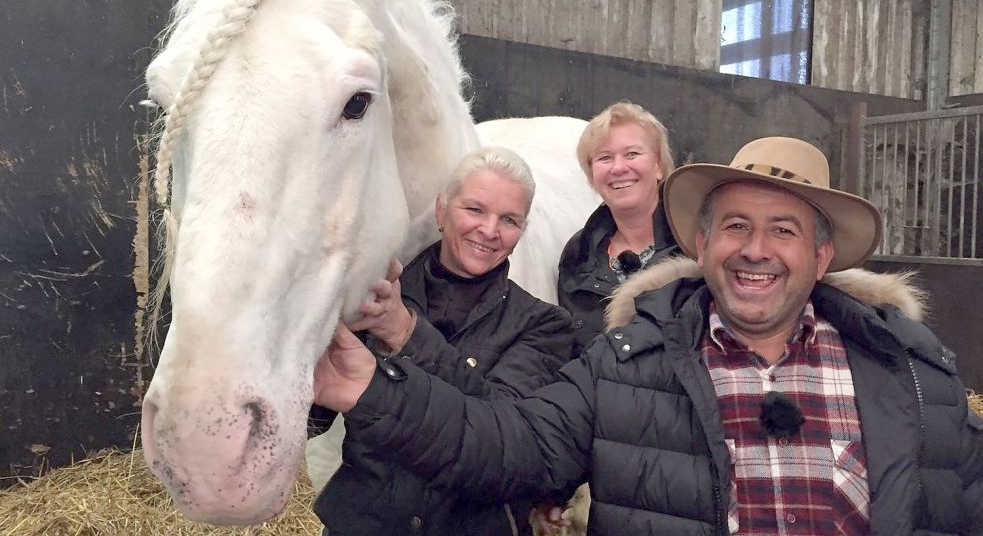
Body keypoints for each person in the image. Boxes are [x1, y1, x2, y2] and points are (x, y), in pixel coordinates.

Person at [313, 137, 983, 535]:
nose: (755, 249)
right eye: (735, 226)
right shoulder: (627, 364)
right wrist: (369, 386)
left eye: (783, 229)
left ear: (821, 252)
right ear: (699, 241)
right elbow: (509, 444)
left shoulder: (913, 375)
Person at [311, 146, 574, 536]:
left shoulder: (544, 325)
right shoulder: (378, 293)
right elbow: (312, 420)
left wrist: (405, 332)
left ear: (521, 232)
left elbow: (507, 439)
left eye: (508, 219)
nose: (489, 230)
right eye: (474, 210)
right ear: (440, 211)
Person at [558, 101, 680, 358]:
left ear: (658, 166)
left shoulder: (692, 243)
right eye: (604, 158)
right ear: (592, 175)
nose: (618, 167)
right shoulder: (579, 252)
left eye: (632, 154)